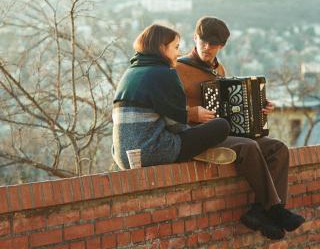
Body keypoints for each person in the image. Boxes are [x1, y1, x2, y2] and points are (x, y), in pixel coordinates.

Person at [175, 16, 305, 240]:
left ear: (222, 46)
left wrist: (259, 107)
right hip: (196, 136)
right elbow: (168, 109)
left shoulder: (219, 69)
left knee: (278, 148)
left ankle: (258, 212)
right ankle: (274, 209)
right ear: (195, 38)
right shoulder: (177, 68)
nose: (207, 48)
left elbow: (231, 106)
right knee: (248, 147)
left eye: (214, 44)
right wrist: (191, 113)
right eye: (203, 41)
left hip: (225, 133)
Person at [112, 23, 231, 171]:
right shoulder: (165, 73)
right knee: (221, 126)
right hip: (151, 152)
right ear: (162, 48)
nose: (178, 53)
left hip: (122, 157)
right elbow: (177, 126)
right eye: (175, 47)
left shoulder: (130, 72)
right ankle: (196, 153)